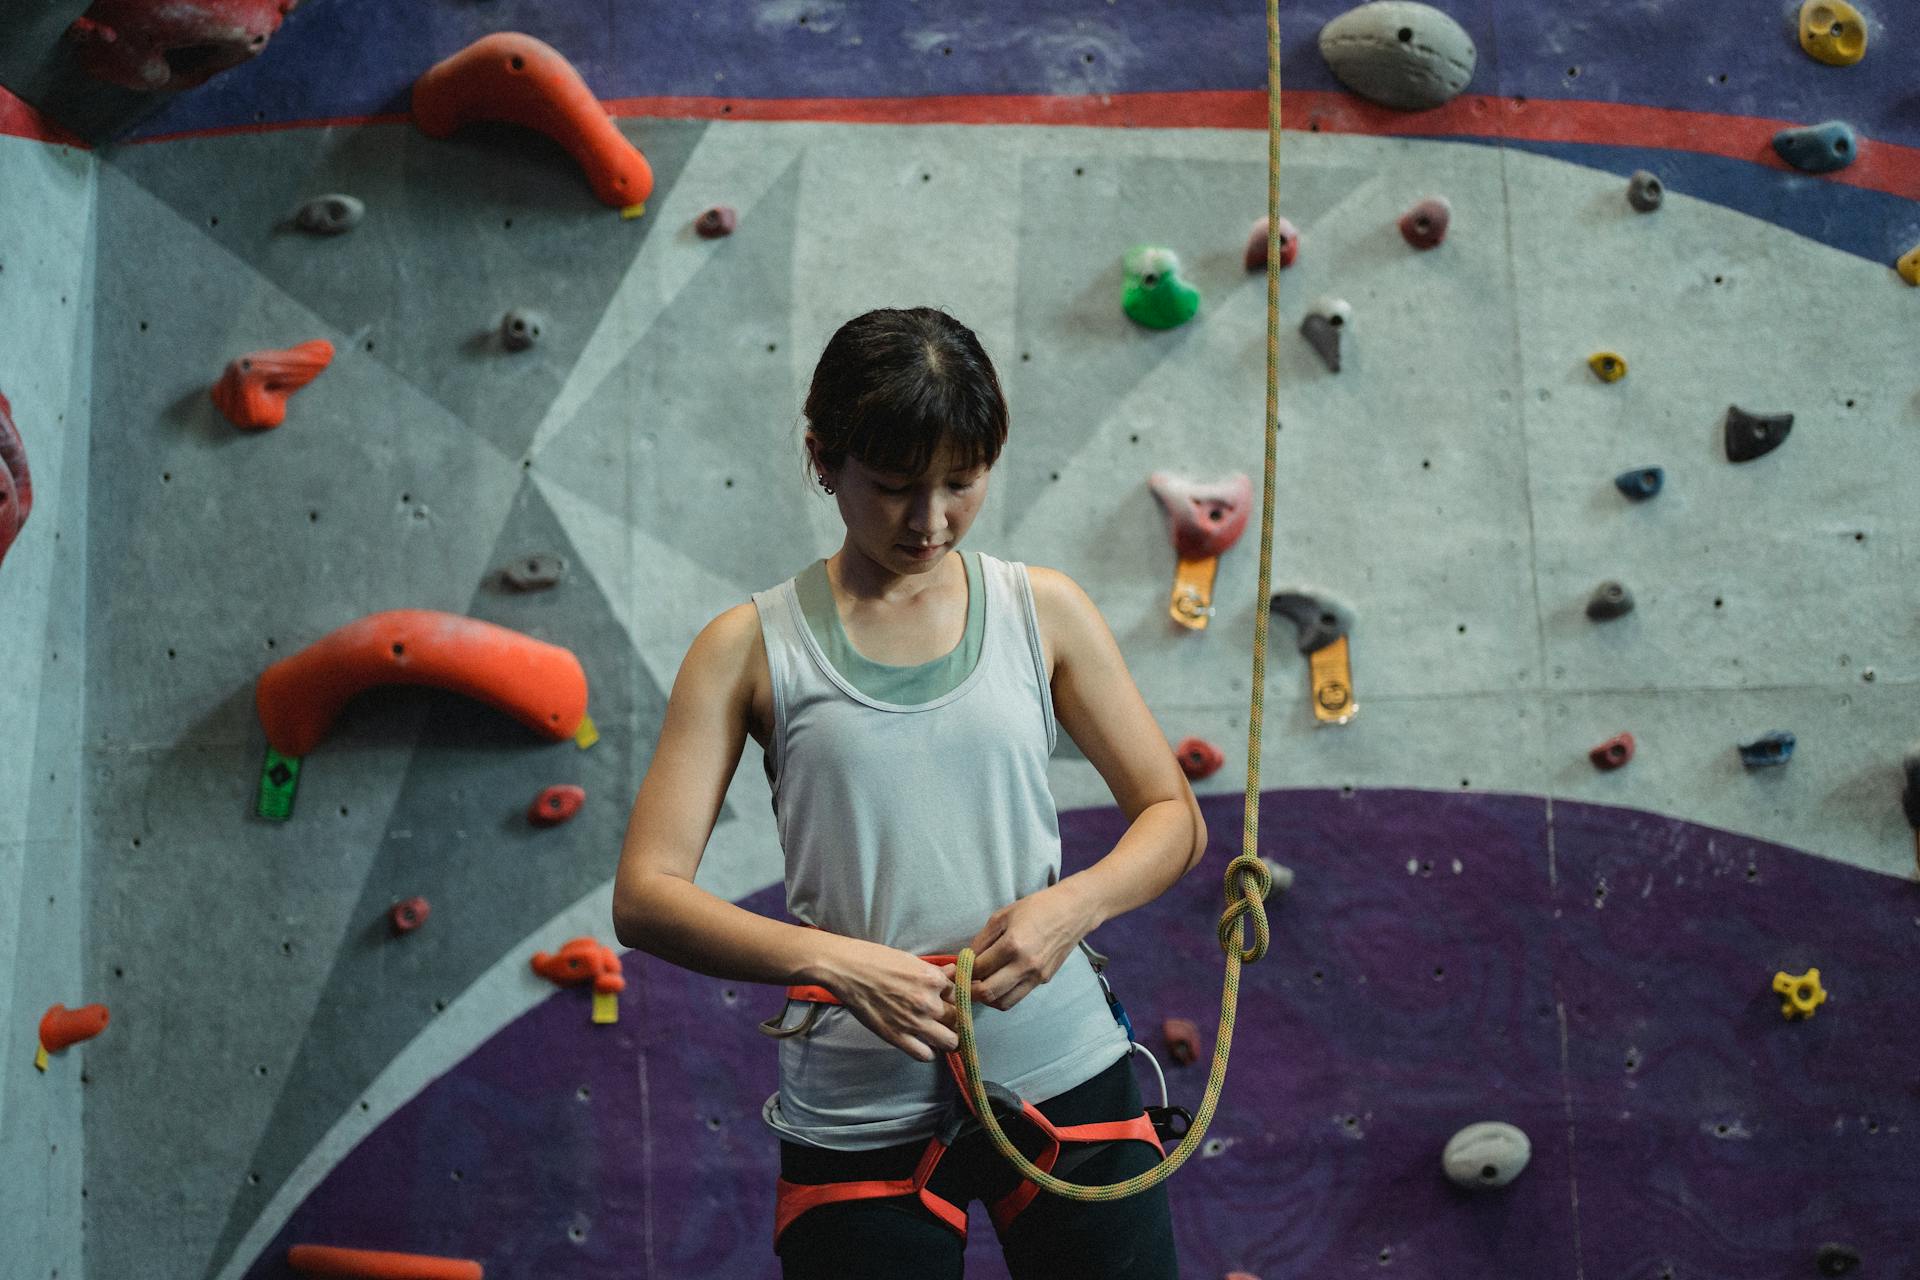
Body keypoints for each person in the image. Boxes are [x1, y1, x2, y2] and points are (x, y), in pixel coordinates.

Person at [613, 306, 1205, 1279]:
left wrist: (1072, 906)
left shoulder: (1040, 611)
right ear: (822, 458)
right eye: (893, 488)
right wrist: (835, 959)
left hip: (1061, 1063)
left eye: (960, 484)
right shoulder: (747, 648)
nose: (930, 522)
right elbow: (646, 895)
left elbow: (1170, 815)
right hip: (856, 1101)